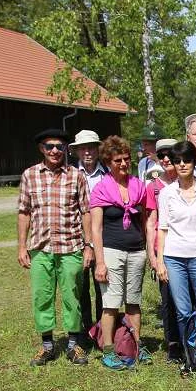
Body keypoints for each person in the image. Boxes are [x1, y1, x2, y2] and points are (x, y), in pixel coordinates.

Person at [17, 128, 93, 366]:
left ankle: (73, 345)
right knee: (42, 297)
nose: (54, 151)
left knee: (72, 296)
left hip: (70, 246)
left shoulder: (76, 176)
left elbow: (86, 212)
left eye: (59, 147)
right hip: (41, 247)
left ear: (65, 150)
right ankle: (47, 345)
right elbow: (24, 212)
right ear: (42, 149)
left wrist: (88, 245)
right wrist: (22, 246)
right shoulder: (30, 175)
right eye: (49, 146)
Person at [155, 141, 196, 374]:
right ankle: (191, 355)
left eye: (186, 160)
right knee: (183, 310)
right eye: (177, 161)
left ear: (194, 161)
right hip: (174, 257)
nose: (182, 164)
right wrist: (160, 261)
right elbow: (162, 228)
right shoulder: (166, 193)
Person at [90, 136, 150, 370]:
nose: (124, 164)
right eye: (118, 160)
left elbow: (145, 220)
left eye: (126, 159)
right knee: (111, 303)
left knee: (134, 302)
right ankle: (107, 350)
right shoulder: (101, 189)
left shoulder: (138, 186)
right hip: (112, 251)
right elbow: (96, 228)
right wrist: (100, 262)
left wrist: (147, 249)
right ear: (108, 162)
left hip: (136, 252)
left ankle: (136, 345)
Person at [144, 138, 181, 363]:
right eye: (161, 156)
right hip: (163, 250)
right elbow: (150, 223)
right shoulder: (154, 187)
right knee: (167, 299)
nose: (166, 159)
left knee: (189, 298)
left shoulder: (189, 182)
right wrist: (152, 254)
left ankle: (191, 338)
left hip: (186, 247)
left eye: (170, 155)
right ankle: (173, 343)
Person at [69, 129, 106, 335]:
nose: (88, 152)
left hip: (103, 237)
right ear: (77, 151)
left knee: (103, 283)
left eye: (91, 147)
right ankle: (84, 328)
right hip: (77, 237)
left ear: (97, 150)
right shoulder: (70, 173)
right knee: (80, 286)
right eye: (83, 148)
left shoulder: (108, 173)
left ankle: (102, 329)